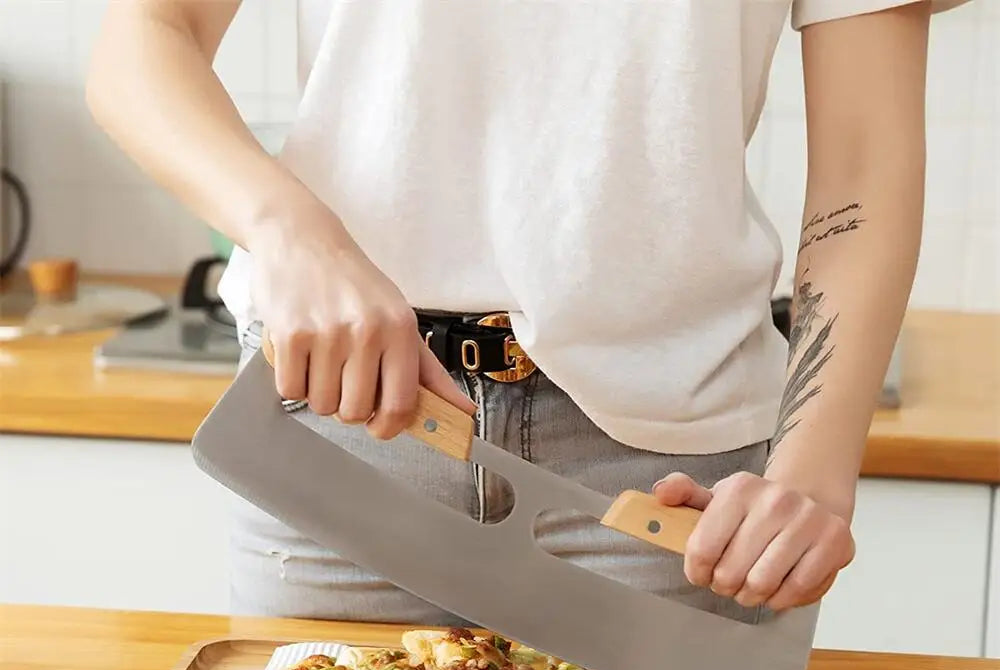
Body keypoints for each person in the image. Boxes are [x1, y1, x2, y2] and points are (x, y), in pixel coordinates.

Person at [86, 1, 964, 625]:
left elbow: (864, 162)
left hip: (663, 474)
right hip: (344, 420)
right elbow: (145, 37)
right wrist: (294, 235)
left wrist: (811, 478)